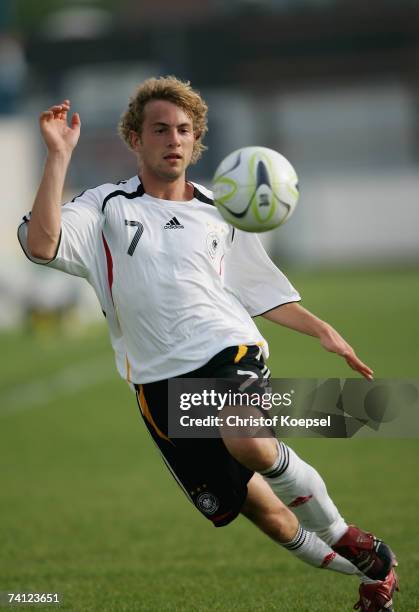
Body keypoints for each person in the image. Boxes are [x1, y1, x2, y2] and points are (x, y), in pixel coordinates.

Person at [18, 76, 398, 612]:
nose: (173, 139)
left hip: (229, 351)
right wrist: (58, 156)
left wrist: (322, 330)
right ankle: (371, 568)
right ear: (135, 138)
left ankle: (342, 531)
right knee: (266, 514)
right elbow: (41, 245)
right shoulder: (103, 207)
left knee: (248, 440)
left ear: (195, 142)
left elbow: (259, 290)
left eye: (183, 131)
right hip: (157, 384)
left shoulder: (224, 210)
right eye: (160, 129)